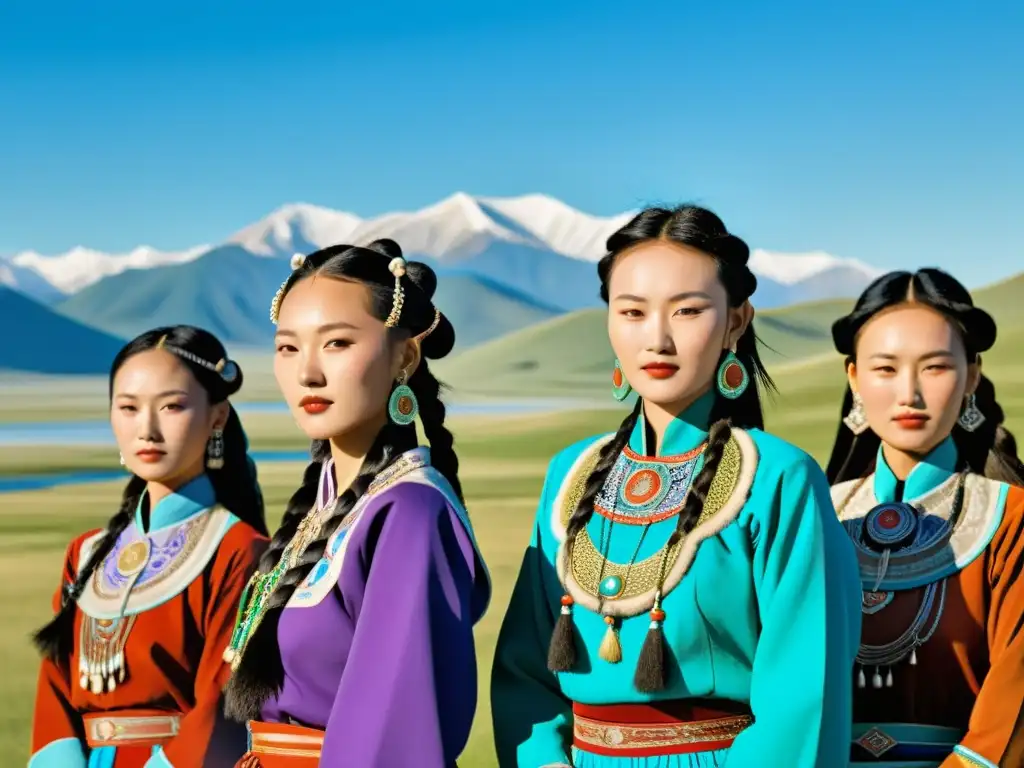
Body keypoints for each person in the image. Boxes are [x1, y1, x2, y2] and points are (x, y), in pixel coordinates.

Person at [490, 204, 862, 768]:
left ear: (736, 321)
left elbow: (803, 698)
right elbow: (523, 673)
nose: (656, 338)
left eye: (687, 311)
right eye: (632, 312)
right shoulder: (570, 475)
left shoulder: (781, 479)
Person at [223, 241, 491, 767]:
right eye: (287, 348)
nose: (307, 374)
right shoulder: (324, 505)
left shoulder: (410, 513)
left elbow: (392, 736)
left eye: (337, 344)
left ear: (405, 357)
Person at [29, 326, 269, 768]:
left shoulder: (240, 550)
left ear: (217, 417)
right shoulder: (85, 554)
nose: (147, 429)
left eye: (172, 406)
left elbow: (222, 703)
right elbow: (55, 690)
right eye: (128, 408)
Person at [826, 268, 1024, 768]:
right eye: (885, 369)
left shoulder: (1012, 518)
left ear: (972, 375)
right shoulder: (817, 514)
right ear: (853, 377)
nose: (908, 393)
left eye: (934, 368)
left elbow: (1016, 701)